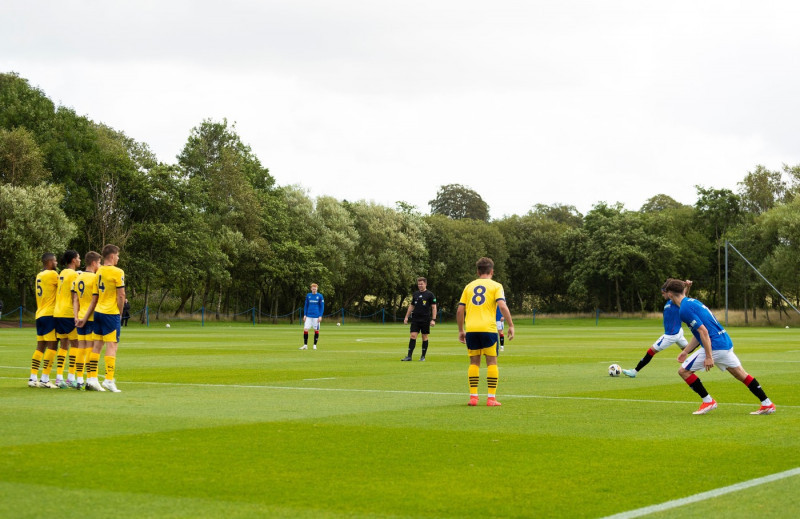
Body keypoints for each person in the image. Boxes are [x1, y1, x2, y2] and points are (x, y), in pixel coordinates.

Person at [662, 278, 776, 415]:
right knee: (740, 374)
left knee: (683, 371)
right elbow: (699, 333)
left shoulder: (684, 310)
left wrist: (709, 357)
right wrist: (686, 351)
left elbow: (703, 332)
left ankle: (708, 401)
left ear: (669, 294)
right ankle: (767, 403)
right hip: (725, 342)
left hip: (715, 346)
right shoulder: (692, 302)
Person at [457, 257, 514, 406]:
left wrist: (461, 330)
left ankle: (473, 397)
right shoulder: (496, 286)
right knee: (492, 362)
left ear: (478, 271)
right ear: (492, 271)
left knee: (474, 363)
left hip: (471, 329)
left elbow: (460, 309)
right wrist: (511, 325)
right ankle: (491, 398)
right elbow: (502, 306)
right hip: (488, 329)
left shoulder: (469, 286)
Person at [622, 279, 693, 378]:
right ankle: (704, 357)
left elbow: (683, 295)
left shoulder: (675, 301)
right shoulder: (670, 302)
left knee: (651, 351)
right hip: (678, 333)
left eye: (664, 293)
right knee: (687, 350)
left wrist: (687, 287)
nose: (662, 295)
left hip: (671, 335)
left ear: (670, 293)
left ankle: (634, 371)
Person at [81, 244, 125, 392]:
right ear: (112, 256)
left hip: (98, 312)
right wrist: (120, 312)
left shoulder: (98, 272)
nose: (118, 258)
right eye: (117, 255)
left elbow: (95, 297)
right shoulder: (118, 272)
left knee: (97, 346)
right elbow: (121, 295)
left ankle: (92, 378)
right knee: (112, 345)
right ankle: (108, 379)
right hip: (110, 313)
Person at [28, 253, 59, 388]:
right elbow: (65, 284)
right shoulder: (52, 274)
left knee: (40, 346)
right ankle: (45, 379)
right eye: (55, 260)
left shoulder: (39, 275)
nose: (57, 263)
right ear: (50, 262)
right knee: (52, 345)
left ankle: (33, 377)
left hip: (39, 313)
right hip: (49, 314)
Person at [53, 250, 81, 388]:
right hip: (68, 313)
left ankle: (59, 378)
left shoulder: (62, 273)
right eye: (79, 258)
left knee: (63, 345)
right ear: (74, 260)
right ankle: (71, 377)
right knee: (76, 344)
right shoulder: (74, 274)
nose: (80, 260)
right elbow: (73, 295)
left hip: (57, 312)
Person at [73, 251, 101, 390]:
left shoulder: (78, 277)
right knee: (90, 348)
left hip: (80, 316)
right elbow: (94, 301)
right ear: (94, 263)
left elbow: (75, 299)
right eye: (99, 263)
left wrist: (76, 317)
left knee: (81, 348)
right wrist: (84, 318)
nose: (100, 265)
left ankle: (79, 380)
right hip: (90, 317)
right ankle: (91, 379)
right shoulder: (95, 278)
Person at [401, 277, 437, 361]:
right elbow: (412, 306)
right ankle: (409, 356)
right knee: (413, 335)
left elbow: (434, 307)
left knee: (424, 336)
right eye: (419, 284)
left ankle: (423, 356)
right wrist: (406, 317)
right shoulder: (415, 294)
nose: (420, 285)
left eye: (421, 284)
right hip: (415, 319)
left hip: (425, 319)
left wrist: (433, 319)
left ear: (425, 284)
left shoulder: (430, 294)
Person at [299, 283, 324, 350]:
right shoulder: (308, 295)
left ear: (317, 289)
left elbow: (322, 307)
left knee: (316, 330)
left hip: (316, 316)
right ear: (311, 289)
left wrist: (320, 316)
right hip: (308, 316)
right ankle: (305, 345)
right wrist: (305, 314)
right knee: (305, 329)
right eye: (313, 289)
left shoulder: (320, 296)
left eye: (315, 289)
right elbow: (306, 305)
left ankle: (314, 345)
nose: (314, 290)